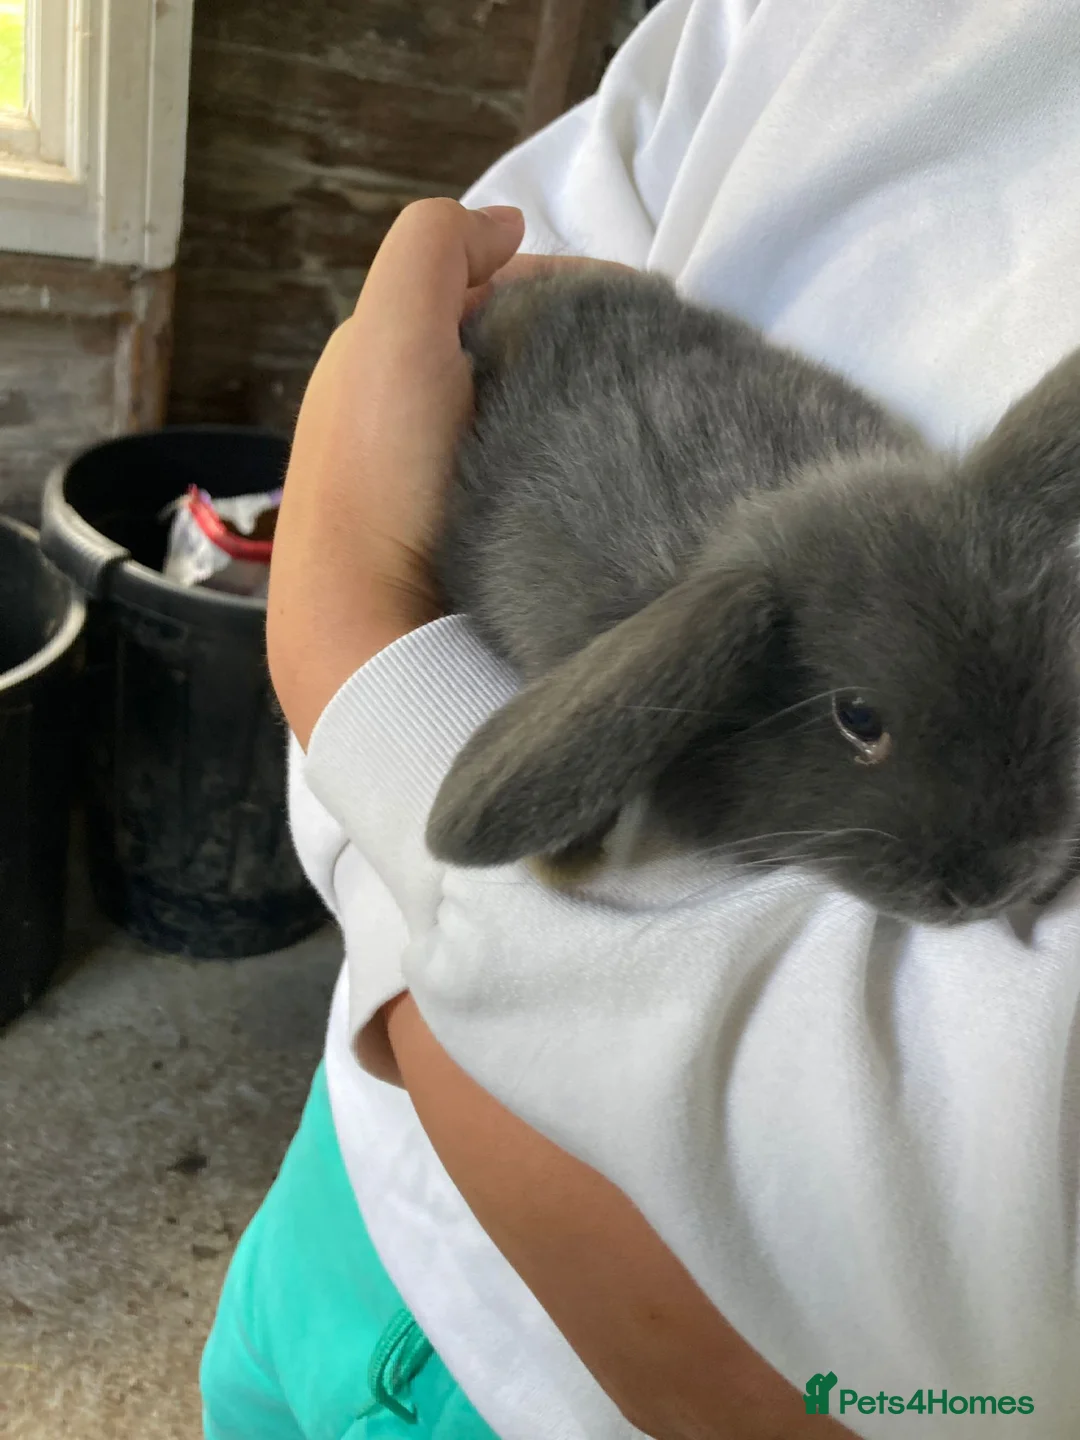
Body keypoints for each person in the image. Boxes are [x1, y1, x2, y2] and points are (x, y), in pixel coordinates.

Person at [200, 1, 1080, 1436]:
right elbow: (501, 264)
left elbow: (935, 1387)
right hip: (362, 1164)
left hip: (556, 1381)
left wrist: (347, 626)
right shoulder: (763, 24)